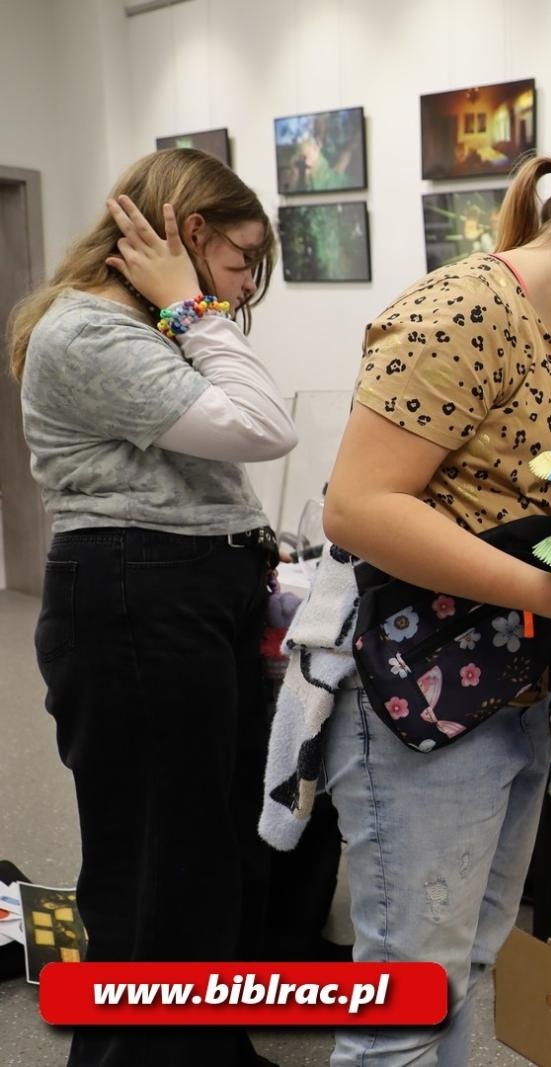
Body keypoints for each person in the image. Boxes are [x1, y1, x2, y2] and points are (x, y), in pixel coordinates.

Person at [317, 151, 551, 1066]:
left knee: (460, 974)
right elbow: (358, 507)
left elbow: (546, 502)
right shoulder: (460, 311)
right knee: (405, 1001)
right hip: (425, 695)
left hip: (513, 692)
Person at [10, 148, 294, 1067]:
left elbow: (210, 454)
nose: (245, 285)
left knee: (212, 848)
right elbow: (264, 426)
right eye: (240, 260)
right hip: (136, 596)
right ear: (191, 234)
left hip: (188, 591)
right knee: (151, 861)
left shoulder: (156, 329)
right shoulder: (92, 333)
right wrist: (194, 306)